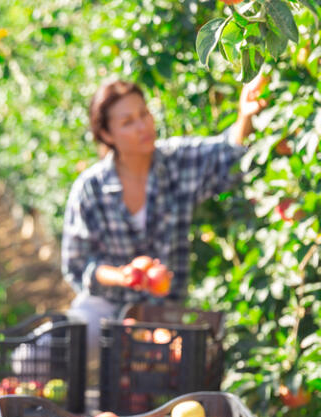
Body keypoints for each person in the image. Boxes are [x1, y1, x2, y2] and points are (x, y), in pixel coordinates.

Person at [61, 76, 268, 369]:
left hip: (163, 312)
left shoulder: (176, 162)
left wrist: (244, 117)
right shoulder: (90, 188)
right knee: (53, 352)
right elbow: (78, 265)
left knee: (177, 369)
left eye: (144, 114)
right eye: (128, 122)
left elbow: (226, 156)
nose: (143, 126)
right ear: (107, 135)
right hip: (107, 305)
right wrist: (123, 276)